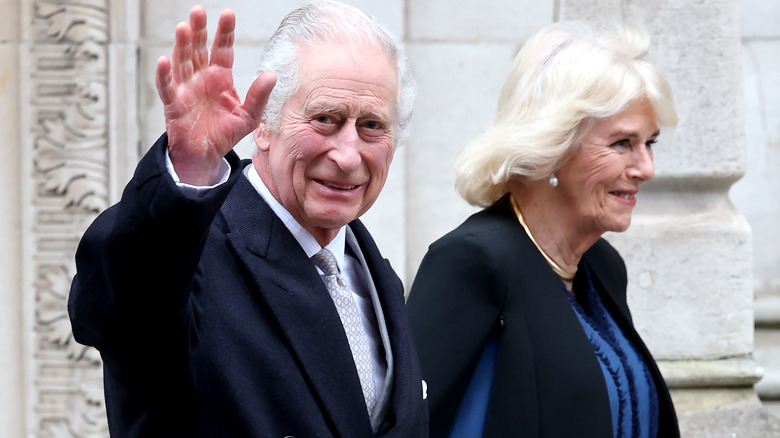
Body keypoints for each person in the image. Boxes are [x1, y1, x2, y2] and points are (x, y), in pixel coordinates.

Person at [67, 1, 428, 436]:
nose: (348, 156)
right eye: (325, 119)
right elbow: (116, 307)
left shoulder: (371, 273)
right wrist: (189, 174)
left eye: (372, 125)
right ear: (263, 125)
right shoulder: (192, 253)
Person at [406, 21, 680, 438]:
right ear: (552, 146)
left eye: (650, 143)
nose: (646, 168)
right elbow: (416, 425)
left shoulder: (602, 266)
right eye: (623, 143)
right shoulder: (473, 260)